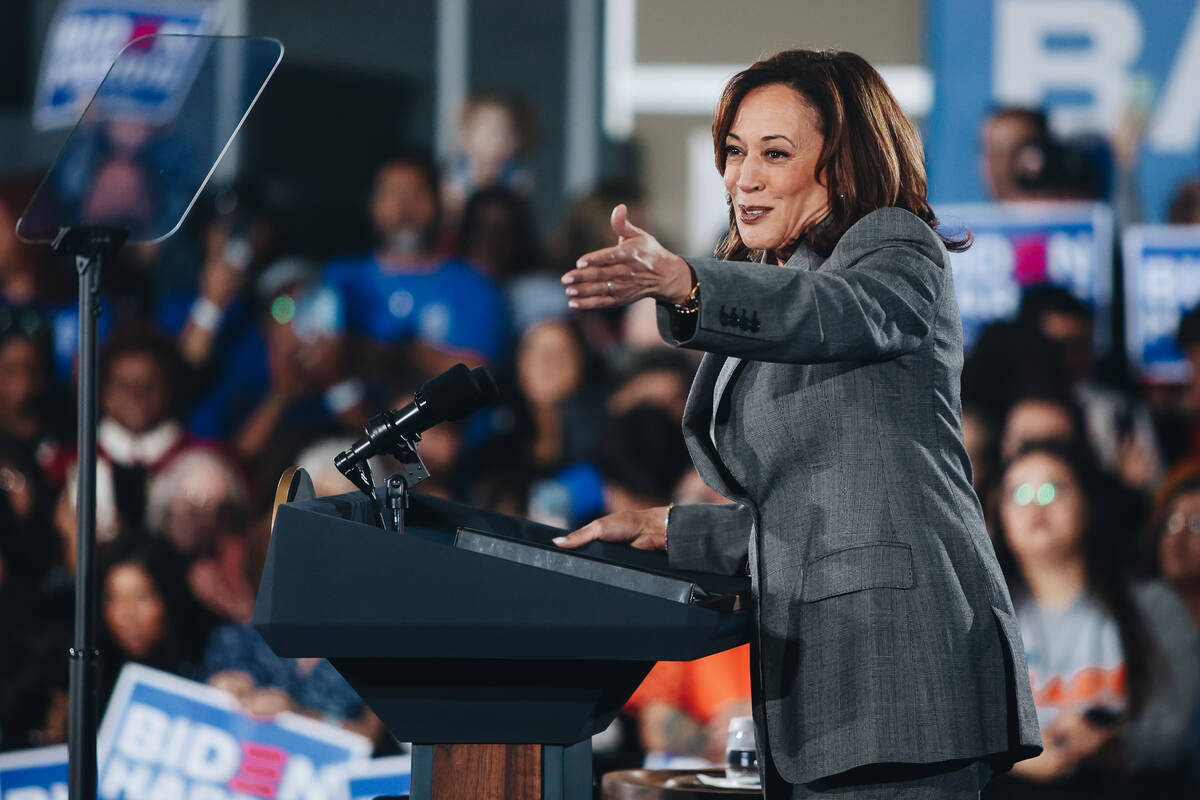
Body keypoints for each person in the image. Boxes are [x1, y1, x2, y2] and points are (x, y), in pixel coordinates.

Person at [555, 49, 1040, 798]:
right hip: (828, 692)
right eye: (734, 151)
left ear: (839, 168)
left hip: (899, 676)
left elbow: (843, 313)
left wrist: (688, 284)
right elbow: (822, 513)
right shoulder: (786, 280)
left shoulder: (893, 246)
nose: (742, 176)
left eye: (774, 154)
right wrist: (672, 529)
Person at [986, 441, 1199, 797]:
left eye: (1054, 488)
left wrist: (1109, 741)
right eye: (1019, 493)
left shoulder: (1153, 606)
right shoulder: (982, 622)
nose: (1037, 504)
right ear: (999, 516)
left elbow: (1178, 728)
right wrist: (1013, 758)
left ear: (1086, 505)